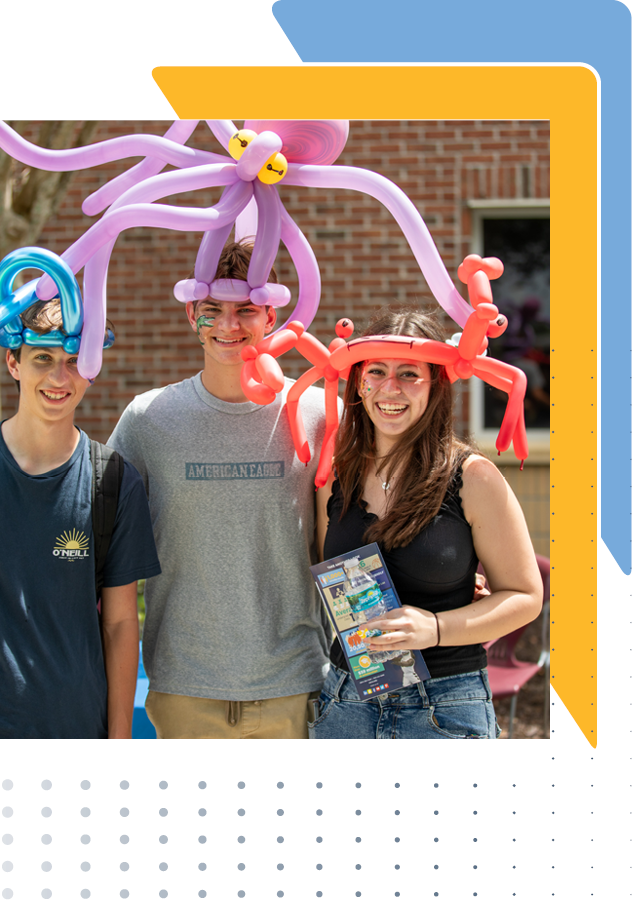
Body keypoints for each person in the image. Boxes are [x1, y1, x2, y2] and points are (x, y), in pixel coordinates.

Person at [0, 300, 161, 739]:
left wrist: (120, 741)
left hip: (73, 731)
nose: (60, 377)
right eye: (43, 358)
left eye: (75, 361)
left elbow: (119, 624)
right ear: (13, 362)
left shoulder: (114, 481)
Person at [108, 240, 332, 739]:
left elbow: (353, 532)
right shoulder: (148, 419)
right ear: (192, 314)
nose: (229, 326)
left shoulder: (315, 412)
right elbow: (101, 541)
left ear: (271, 316)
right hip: (184, 688)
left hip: (295, 685)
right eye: (214, 311)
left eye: (246, 311)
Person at [311, 309, 543, 739]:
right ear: (358, 383)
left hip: (444, 707)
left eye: (409, 374)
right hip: (344, 702)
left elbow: (526, 596)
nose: (390, 388)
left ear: (436, 385)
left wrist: (436, 628)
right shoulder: (336, 476)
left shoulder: (473, 477)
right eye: (376, 371)